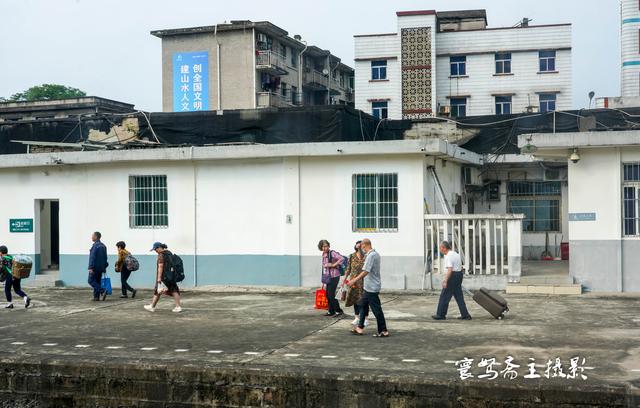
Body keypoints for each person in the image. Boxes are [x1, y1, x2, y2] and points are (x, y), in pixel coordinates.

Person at [346, 239, 389, 337]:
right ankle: (360, 328)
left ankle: (383, 330)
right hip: (369, 287)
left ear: (365, 245)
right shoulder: (375, 254)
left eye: (362, 247)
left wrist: (353, 280)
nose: (362, 249)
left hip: (371, 287)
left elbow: (366, 271)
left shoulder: (371, 255)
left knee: (376, 309)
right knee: (362, 304)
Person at [432, 240, 472, 321]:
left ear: (444, 248)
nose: (440, 250)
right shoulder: (455, 254)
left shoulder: (448, 256)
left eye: (440, 248)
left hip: (453, 276)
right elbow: (460, 266)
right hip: (459, 275)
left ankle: (441, 314)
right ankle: (465, 315)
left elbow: (450, 269)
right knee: (459, 296)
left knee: (444, 295)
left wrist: (445, 281)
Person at [144, 242, 182, 313]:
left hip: (163, 277)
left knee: (157, 290)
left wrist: (159, 279)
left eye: (155, 249)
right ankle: (178, 307)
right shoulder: (169, 253)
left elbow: (160, 267)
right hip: (171, 276)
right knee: (174, 290)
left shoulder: (161, 255)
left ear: (159, 247)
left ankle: (152, 306)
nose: (155, 251)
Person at [343, 240, 369, 327]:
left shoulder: (366, 257)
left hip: (363, 281)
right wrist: (345, 279)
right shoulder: (351, 256)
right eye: (358, 246)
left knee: (364, 300)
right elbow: (348, 269)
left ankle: (366, 318)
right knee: (355, 299)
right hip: (353, 281)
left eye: (361, 246)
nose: (359, 247)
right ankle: (357, 317)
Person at [318, 239, 344, 317]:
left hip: (334, 276)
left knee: (331, 294)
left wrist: (333, 264)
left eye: (326, 246)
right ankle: (331, 311)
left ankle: (338, 310)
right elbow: (325, 266)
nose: (324, 248)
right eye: (323, 246)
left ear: (328, 246)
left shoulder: (332, 253)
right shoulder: (324, 254)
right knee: (327, 294)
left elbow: (341, 258)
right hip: (328, 276)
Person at [88, 231, 108, 301]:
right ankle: (96, 297)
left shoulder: (95, 246)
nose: (91, 237)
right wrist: (104, 266)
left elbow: (92, 257)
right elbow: (105, 257)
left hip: (95, 267)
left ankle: (102, 290)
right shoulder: (103, 246)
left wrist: (90, 267)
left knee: (90, 280)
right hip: (101, 267)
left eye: (92, 235)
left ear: (96, 237)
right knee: (97, 281)